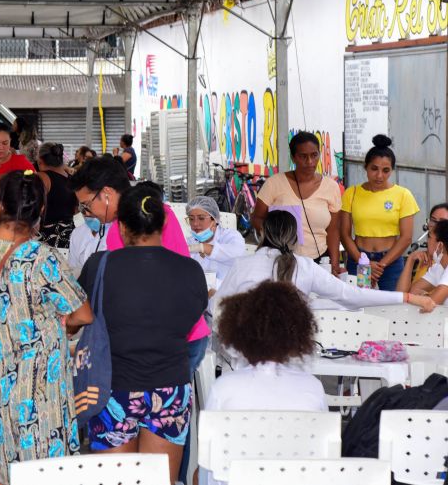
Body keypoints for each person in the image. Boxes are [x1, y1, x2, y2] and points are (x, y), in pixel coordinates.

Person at [0, 170, 92, 485]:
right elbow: (83, 313)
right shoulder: (43, 257)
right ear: (41, 210)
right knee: (45, 472)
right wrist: (64, 324)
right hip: (41, 387)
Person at [79, 185, 207, 484]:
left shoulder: (100, 266)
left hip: (114, 389)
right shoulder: (190, 270)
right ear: (164, 222)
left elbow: (80, 315)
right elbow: (191, 319)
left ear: (122, 226)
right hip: (171, 390)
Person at [201, 281, 328, 485]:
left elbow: (208, 464)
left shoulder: (223, 388)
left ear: (239, 333)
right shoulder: (313, 387)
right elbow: (324, 457)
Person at [215, 210, 435, 312]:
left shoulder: (242, 265)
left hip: (246, 359)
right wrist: (407, 297)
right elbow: (352, 296)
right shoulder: (305, 266)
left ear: (262, 233)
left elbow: (217, 308)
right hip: (292, 358)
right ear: (295, 238)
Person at [252, 132, 342, 270]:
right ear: (293, 157)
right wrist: (274, 236)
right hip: (281, 259)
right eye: (303, 156)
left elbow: (333, 230)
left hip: (320, 261)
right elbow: (257, 218)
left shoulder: (331, 187)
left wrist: (334, 264)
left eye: (314, 155)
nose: (310, 162)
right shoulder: (274, 183)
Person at [340, 135, 418, 291]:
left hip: (391, 263)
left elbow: (406, 238)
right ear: (366, 167)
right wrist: (364, 262)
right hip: (358, 259)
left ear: (392, 170)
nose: (379, 175)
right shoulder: (351, 193)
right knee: (358, 303)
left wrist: (380, 265)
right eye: (374, 169)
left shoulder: (403, 195)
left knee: (392, 305)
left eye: (386, 170)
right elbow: (344, 234)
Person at [185, 196, 245, 290]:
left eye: (201, 218)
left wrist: (203, 248)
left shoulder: (230, 236)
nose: (195, 224)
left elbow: (237, 253)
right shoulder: (189, 242)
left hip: (228, 293)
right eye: (191, 219)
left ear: (214, 219)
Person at [397, 219, 448, 304]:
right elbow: (404, 295)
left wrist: (423, 296)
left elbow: (431, 303)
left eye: (429, 237)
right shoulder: (439, 267)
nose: (427, 241)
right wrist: (410, 260)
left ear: (440, 246)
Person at [36, 142, 77, 248]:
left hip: (47, 237)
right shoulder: (71, 179)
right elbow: (76, 210)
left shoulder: (42, 178)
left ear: (40, 161)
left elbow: (33, 208)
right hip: (70, 235)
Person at [0, 123, 34, 209]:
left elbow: (36, 183)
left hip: (14, 214)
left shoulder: (21, 162)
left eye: (5, 143)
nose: (1, 147)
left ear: (10, 141)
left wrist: (12, 182)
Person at [399, 203, 448, 286]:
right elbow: (403, 293)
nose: (435, 226)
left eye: (442, 222)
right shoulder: (427, 262)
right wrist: (410, 260)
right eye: (433, 220)